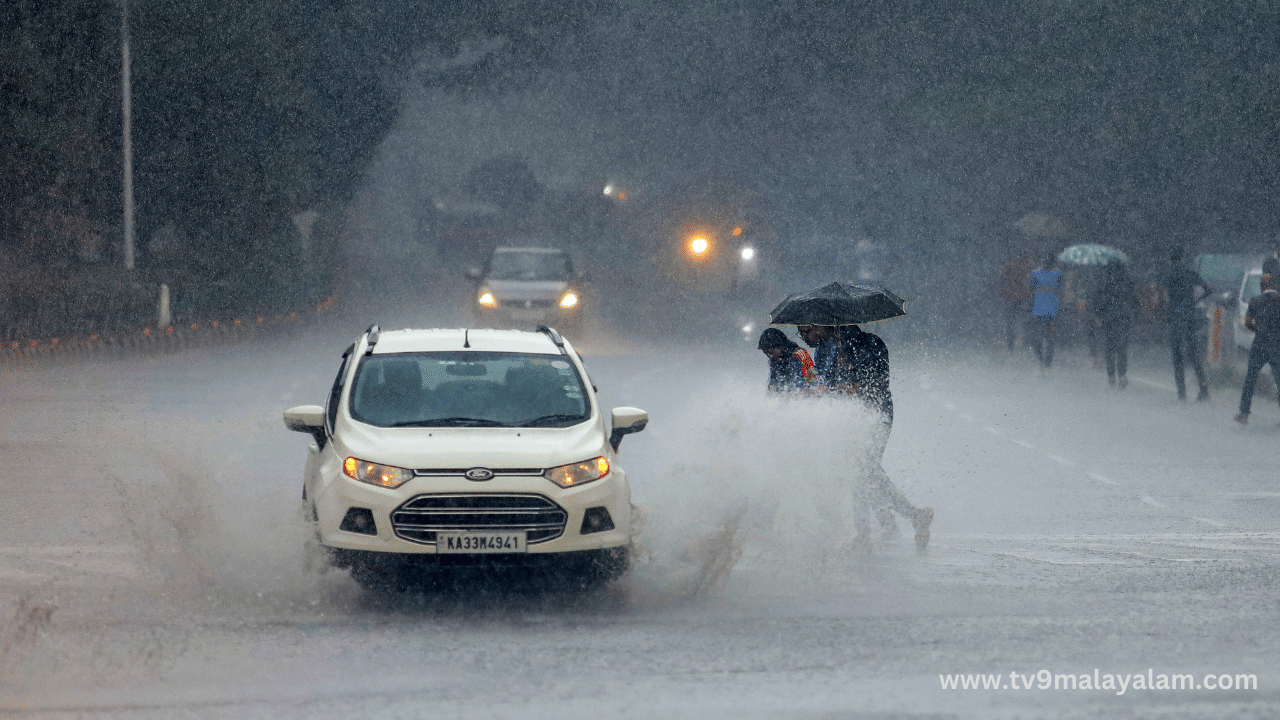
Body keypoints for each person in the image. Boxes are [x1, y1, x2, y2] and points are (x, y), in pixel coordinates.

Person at [797, 323, 934, 550]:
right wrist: (817, 391)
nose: (803, 337)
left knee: (863, 472)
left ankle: (869, 532)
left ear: (823, 326)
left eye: (807, 331)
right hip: (851, 418)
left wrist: (838, 386)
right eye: (800, 332)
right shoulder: (826, 350)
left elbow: (869, 385)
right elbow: (832, 384)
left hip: (875, 415)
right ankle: (910, 516)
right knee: (864, 472)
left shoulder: (868, 344)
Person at [1162, 249, 1213, 401]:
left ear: (1171, 260)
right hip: (1190, 318)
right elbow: (1208, 289)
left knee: (1177, 357)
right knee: (1194, 355)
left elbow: (1164, 297)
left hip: (1175, 319)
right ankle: (1204, 390)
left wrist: (1171, 307)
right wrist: (1194, 301)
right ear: (1182, 259)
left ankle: (1181, 393)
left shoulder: (1169, 275)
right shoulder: (1190, 274)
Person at [1235, 273, 1280, 424]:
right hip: (1276, 346)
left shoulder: (1255, 301)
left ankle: (1244, 414)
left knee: (1250, 380)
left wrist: (1258, 330)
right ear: (1274, 285)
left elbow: (1247, 322)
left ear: (1261, 287)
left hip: (1259, 345)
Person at [1093, 262, 1138, 388]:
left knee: (1110, 349)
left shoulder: (1105, 283)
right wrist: (1133, 316)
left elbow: (1099, 300)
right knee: (1122, 349)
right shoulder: (1127, 283)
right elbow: (1134, 301)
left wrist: (1098, 315)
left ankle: (1111, 376)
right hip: (1123, 318)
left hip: (1109, 319)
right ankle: (1122, 375)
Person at [1028, 255, 1063, 369]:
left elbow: (1031, 289)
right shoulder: (1057, 274)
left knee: (1038, 337)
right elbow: (1061, 290)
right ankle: (1047, 361)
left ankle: (1042, 359)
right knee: (1049, 337)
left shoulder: (1035, 274)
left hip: (1039, 310)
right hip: (1052, 310)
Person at [757, 327, 816, 394]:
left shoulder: (800, 354)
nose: (769, 357)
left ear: (780, 346)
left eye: (771, 352)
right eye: (766, 353)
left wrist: (795, 395)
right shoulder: (775, 361)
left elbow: (813, 385)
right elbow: (772, 385)